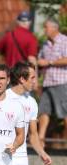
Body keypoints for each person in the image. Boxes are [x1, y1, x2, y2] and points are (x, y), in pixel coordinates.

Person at [37, 18, 67, 147]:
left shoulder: (64, 41)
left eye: (46, 27)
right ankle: (40, 140)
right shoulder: (45, 44)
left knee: (65, 113)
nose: (44, 30)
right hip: (47, 82)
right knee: (44, 111)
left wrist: (49, 62)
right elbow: (40, 60)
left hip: (62, 82)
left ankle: (65, 141)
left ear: (54, 28)